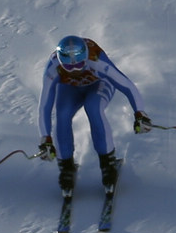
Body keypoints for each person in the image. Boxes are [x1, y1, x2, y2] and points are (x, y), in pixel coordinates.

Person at [37, 35, 152, 192]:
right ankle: (66, 167)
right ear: (61, 62)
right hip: (70, 89)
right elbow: (45, 105)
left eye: (80, 65)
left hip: (98, 84)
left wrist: (140, 113)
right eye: (69, 68)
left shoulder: (96, 60)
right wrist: (46, 139)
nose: (76, 71)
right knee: (62, 115)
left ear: (86, 58)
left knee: (93, 108)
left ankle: (108, 163)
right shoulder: (53, 67)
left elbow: (127, 85)